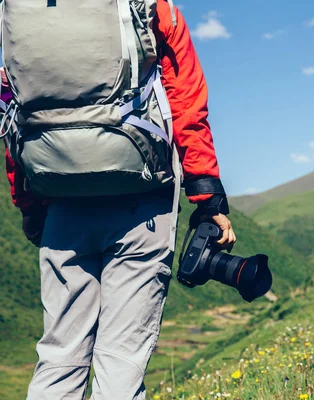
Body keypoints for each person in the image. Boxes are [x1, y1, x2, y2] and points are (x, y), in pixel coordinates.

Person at [2, 2, 236, 399]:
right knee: (120, 363)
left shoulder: (22, 9)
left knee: (59, 357)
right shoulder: (148, 5)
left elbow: (11, 109)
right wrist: (207, 196)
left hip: (60, 199)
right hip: (140, 196)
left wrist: (27, 202)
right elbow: (186, 97)